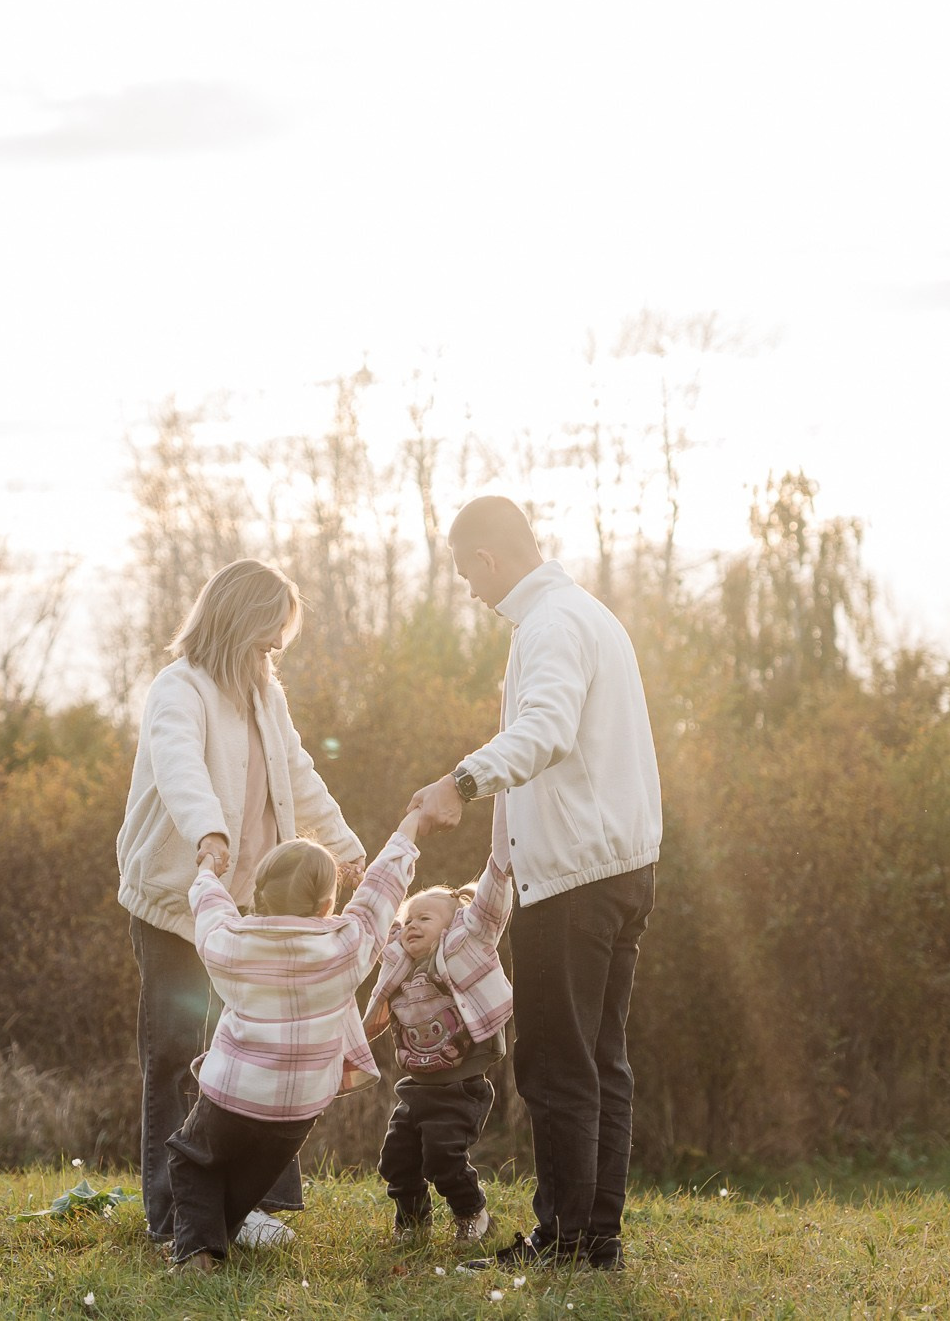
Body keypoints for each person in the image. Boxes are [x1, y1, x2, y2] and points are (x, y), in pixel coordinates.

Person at [411, 495, 662, 1271]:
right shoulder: (590, 616)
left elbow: (546, 730)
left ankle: (564, 1240)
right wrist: (499, 862)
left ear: (488, 559)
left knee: (556, 1065)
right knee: (600, 1058)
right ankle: (596, 1240)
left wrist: (463, 778)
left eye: (465, 574)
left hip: (576, 883)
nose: (469, 591)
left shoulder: (551, 626)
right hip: (621, 868)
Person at [115, 560, 366, 1251]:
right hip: (178, 898)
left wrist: (345, 845)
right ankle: (170, 1214)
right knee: (174, 1052)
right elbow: (178, 765)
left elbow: (299, 771)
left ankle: (244, 1204)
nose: (275, 652)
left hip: (252, 909)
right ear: (237, 624)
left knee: (256, 1056)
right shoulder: (180, 689)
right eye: (268, 638)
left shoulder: (265, 696)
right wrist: (210, 833)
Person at [165, 812, 427, 1273]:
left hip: (233, 1093)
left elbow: (210, 910)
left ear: (259, 894)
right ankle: (215, 1237)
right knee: (247, 1183)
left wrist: (207, 870)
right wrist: (407, 832)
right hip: (300, 1107)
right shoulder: (346, 944)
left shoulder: (232, 942)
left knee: (193, 1159)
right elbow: (379, 895)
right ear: (327, 904)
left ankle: (196, 1251)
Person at [361, 861, 514, 1245]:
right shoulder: (399, 964)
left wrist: (501, 861)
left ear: (452, 925)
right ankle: (413, 1222)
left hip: (460, 1086)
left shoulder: (465, 946)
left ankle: (472, 1214)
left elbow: (489, 906)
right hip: (417, 1086)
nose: (411, 925)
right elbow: (373, 923)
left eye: (423, 918)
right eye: (408, 919)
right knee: (396, 1159)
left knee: (443, 1158)